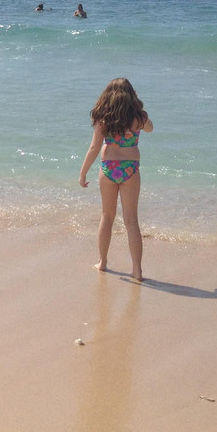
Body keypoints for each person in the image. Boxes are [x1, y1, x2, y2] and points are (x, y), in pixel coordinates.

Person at [79, 78, 154, 282]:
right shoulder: (139, 118)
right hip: (130, 169)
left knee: (107, 216)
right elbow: (150, 128)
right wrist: (139, 114)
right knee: (131, 221)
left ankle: (102, 262)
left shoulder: (104, 119)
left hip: (108, 168)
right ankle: (137, 271)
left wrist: (83, 172)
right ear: (131, 95)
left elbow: (94, 148)